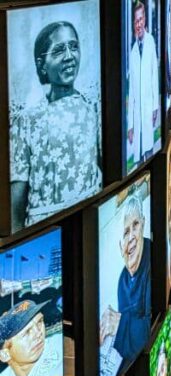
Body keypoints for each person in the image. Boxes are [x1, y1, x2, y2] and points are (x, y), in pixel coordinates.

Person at [10, 20, 102, 231]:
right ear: (42, 64)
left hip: (89, 222)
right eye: (59, 50)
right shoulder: (27, 120)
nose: (69, 56)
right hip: (46, 230)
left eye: (74, 46)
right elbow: (16, 204)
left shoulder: (92, 109)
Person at [100, 192, 152, 376]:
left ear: (144, 224)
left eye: (135, 226)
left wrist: (119, 324)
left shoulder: (153, 258)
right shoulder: (123, 279)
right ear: (120, 246)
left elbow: (150, 329)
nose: (131, 237)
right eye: (125, 232)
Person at [126, 0, 160, 167]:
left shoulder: (151, 42)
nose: (138, 24)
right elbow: (131, 91)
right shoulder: (132, 52)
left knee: (149, 149)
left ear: (145, 19)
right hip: (137, 111)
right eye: (135, 21)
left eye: (141, 20)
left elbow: (154, 75)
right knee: (138, 158)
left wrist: (155, 106)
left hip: (148, 107)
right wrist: (130, 124)